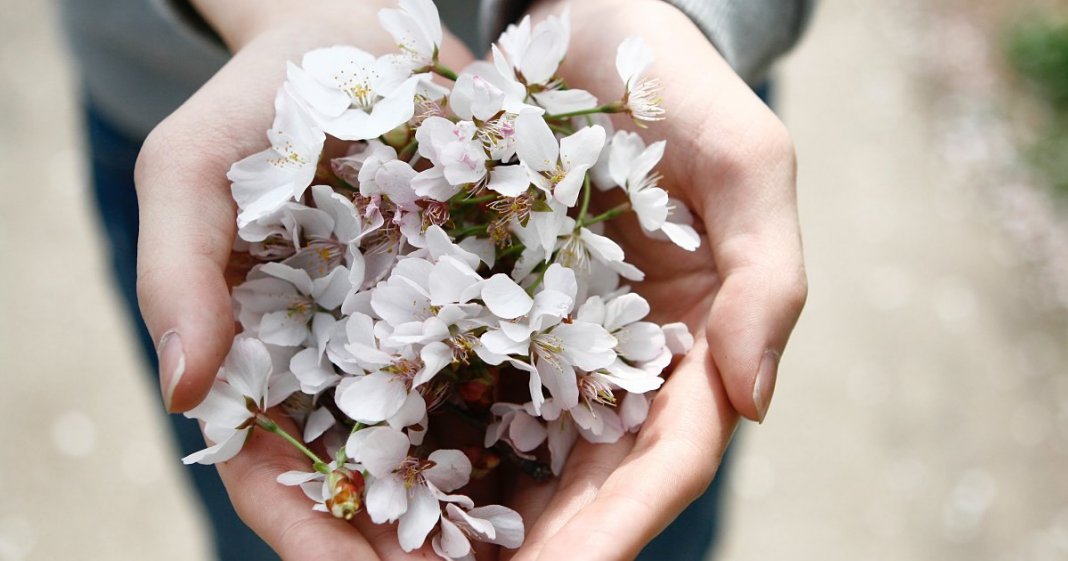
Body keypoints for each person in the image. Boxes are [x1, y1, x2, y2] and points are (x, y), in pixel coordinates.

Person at [60, 0, 810, 559]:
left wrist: (657, 14)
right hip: (195, 104)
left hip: (665, 86)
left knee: (651, 522)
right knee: (269, 523)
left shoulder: (577, 189)